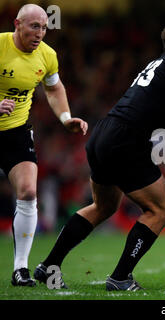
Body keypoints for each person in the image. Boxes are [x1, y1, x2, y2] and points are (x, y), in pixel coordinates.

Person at [33, 19, 165, 291]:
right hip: (127, 141)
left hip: (104, 134)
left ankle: (48, 266)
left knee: (104, 207)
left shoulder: (157, 64)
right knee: (161, 210)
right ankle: (121, 277)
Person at [0, 4, 88, 287]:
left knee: (27, 192)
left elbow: (53, 88)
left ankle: (20, 269)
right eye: (34, 26)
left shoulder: (47, 55)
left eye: (44, 28)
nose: (39, 33)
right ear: (17, 24)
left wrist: (65, 117)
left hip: (15, 132)